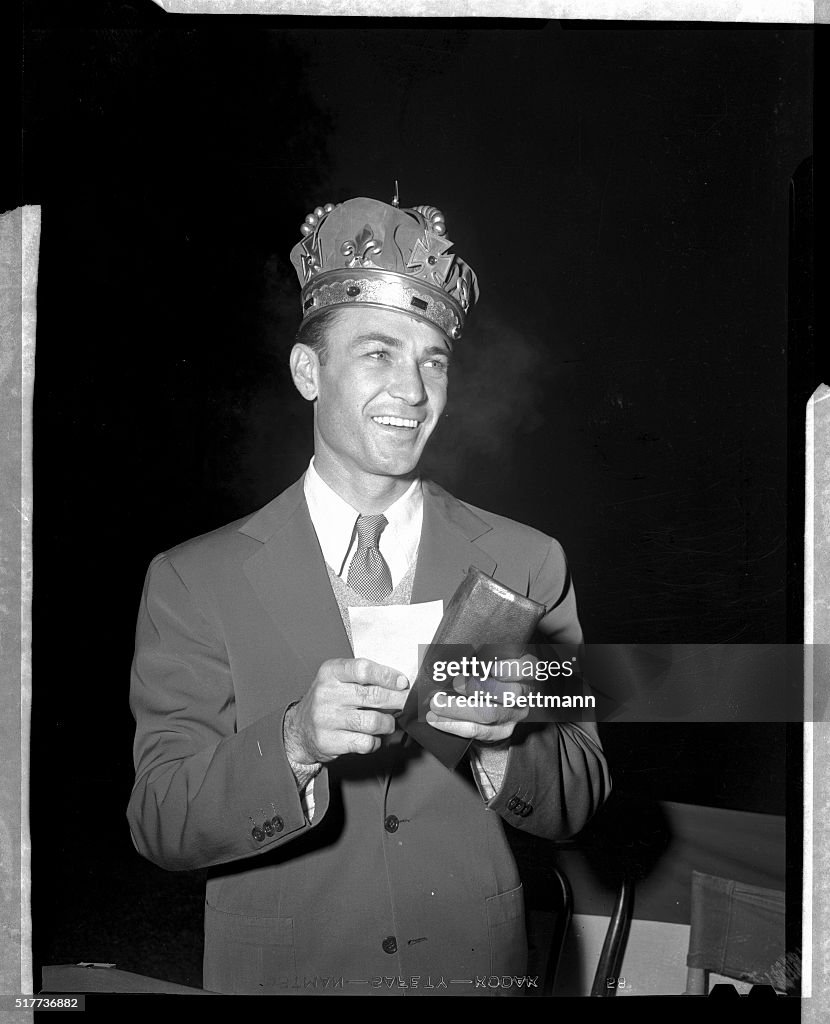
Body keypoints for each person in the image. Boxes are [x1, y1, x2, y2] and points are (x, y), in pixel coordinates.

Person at [127, 195, 610, 996]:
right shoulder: (193, 579)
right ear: (307, 371)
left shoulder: (526, 562)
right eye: (379, 353)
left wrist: (499, 742)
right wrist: (291, 743)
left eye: (434, 360)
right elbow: (159, 820)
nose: (414, 391)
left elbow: (579, 794)